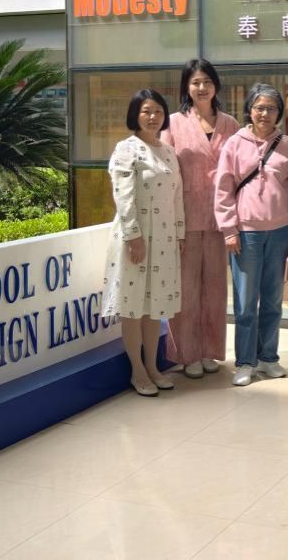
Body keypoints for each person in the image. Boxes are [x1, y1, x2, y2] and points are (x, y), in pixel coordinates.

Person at [214, 83, 288, 387]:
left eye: (271, 108)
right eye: (259, 108)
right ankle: (245, 362)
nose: (265, 113)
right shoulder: (234, 144)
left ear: (279, 113)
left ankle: (268, 357)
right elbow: (223, 190)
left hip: (280, 232)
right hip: (246, 234)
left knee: (273, 300)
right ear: (250, 110)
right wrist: (229, 230)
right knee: (244, 302)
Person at [102, 89, 185, 397]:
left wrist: (179, 233)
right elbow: (123, 196)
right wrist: (133, 237)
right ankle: (137, 370)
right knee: (133, 306)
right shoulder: (126, 150)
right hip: (135, 238)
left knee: (154, 306)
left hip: (164, 238)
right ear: (135, 115)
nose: (153, 117)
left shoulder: (168, 151)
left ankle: (153, 366)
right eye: (146, 111)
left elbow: (177, 196)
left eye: (158, 111)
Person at [160, 59, 239, 379]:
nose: (202, 87)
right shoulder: (173, 123)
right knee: (186, 290)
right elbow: (165, 171)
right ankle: (187, 353)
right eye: (195, 82)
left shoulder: (231, 124)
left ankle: (210, 350)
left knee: (215, 289)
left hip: (222, 219)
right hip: (185, 217)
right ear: (186, 87)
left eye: (207, 81)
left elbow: (239, 171)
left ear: (216, 85)